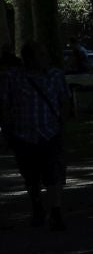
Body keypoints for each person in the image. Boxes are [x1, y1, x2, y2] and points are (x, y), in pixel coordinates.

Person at [1, 43, 75, 230]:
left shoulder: (55, 75)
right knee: (31, 176)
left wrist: (61, 123)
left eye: (45, 54)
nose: (46, 58)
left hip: (50, 133)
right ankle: (37, 206)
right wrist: (7, 129)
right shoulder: (12, 77)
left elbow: (65, 99)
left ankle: (56, 211)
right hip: (23, 135)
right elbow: (4, 105)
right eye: (41, 54)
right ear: (29, 59)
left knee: (54, 174)